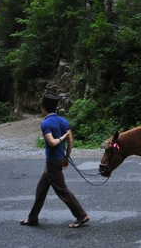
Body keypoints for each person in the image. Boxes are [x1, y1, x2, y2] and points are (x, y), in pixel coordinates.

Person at [20, 93, 89, 228]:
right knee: (41, 188)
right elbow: (71, 141)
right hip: (58, 159)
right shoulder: (64, 121)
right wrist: (66, 158)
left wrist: (61, 138)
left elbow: (52, 142)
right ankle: (32, 218)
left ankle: (81, 215)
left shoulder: (45, 123)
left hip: (52, 162)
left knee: (62, 190)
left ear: (43, 107)